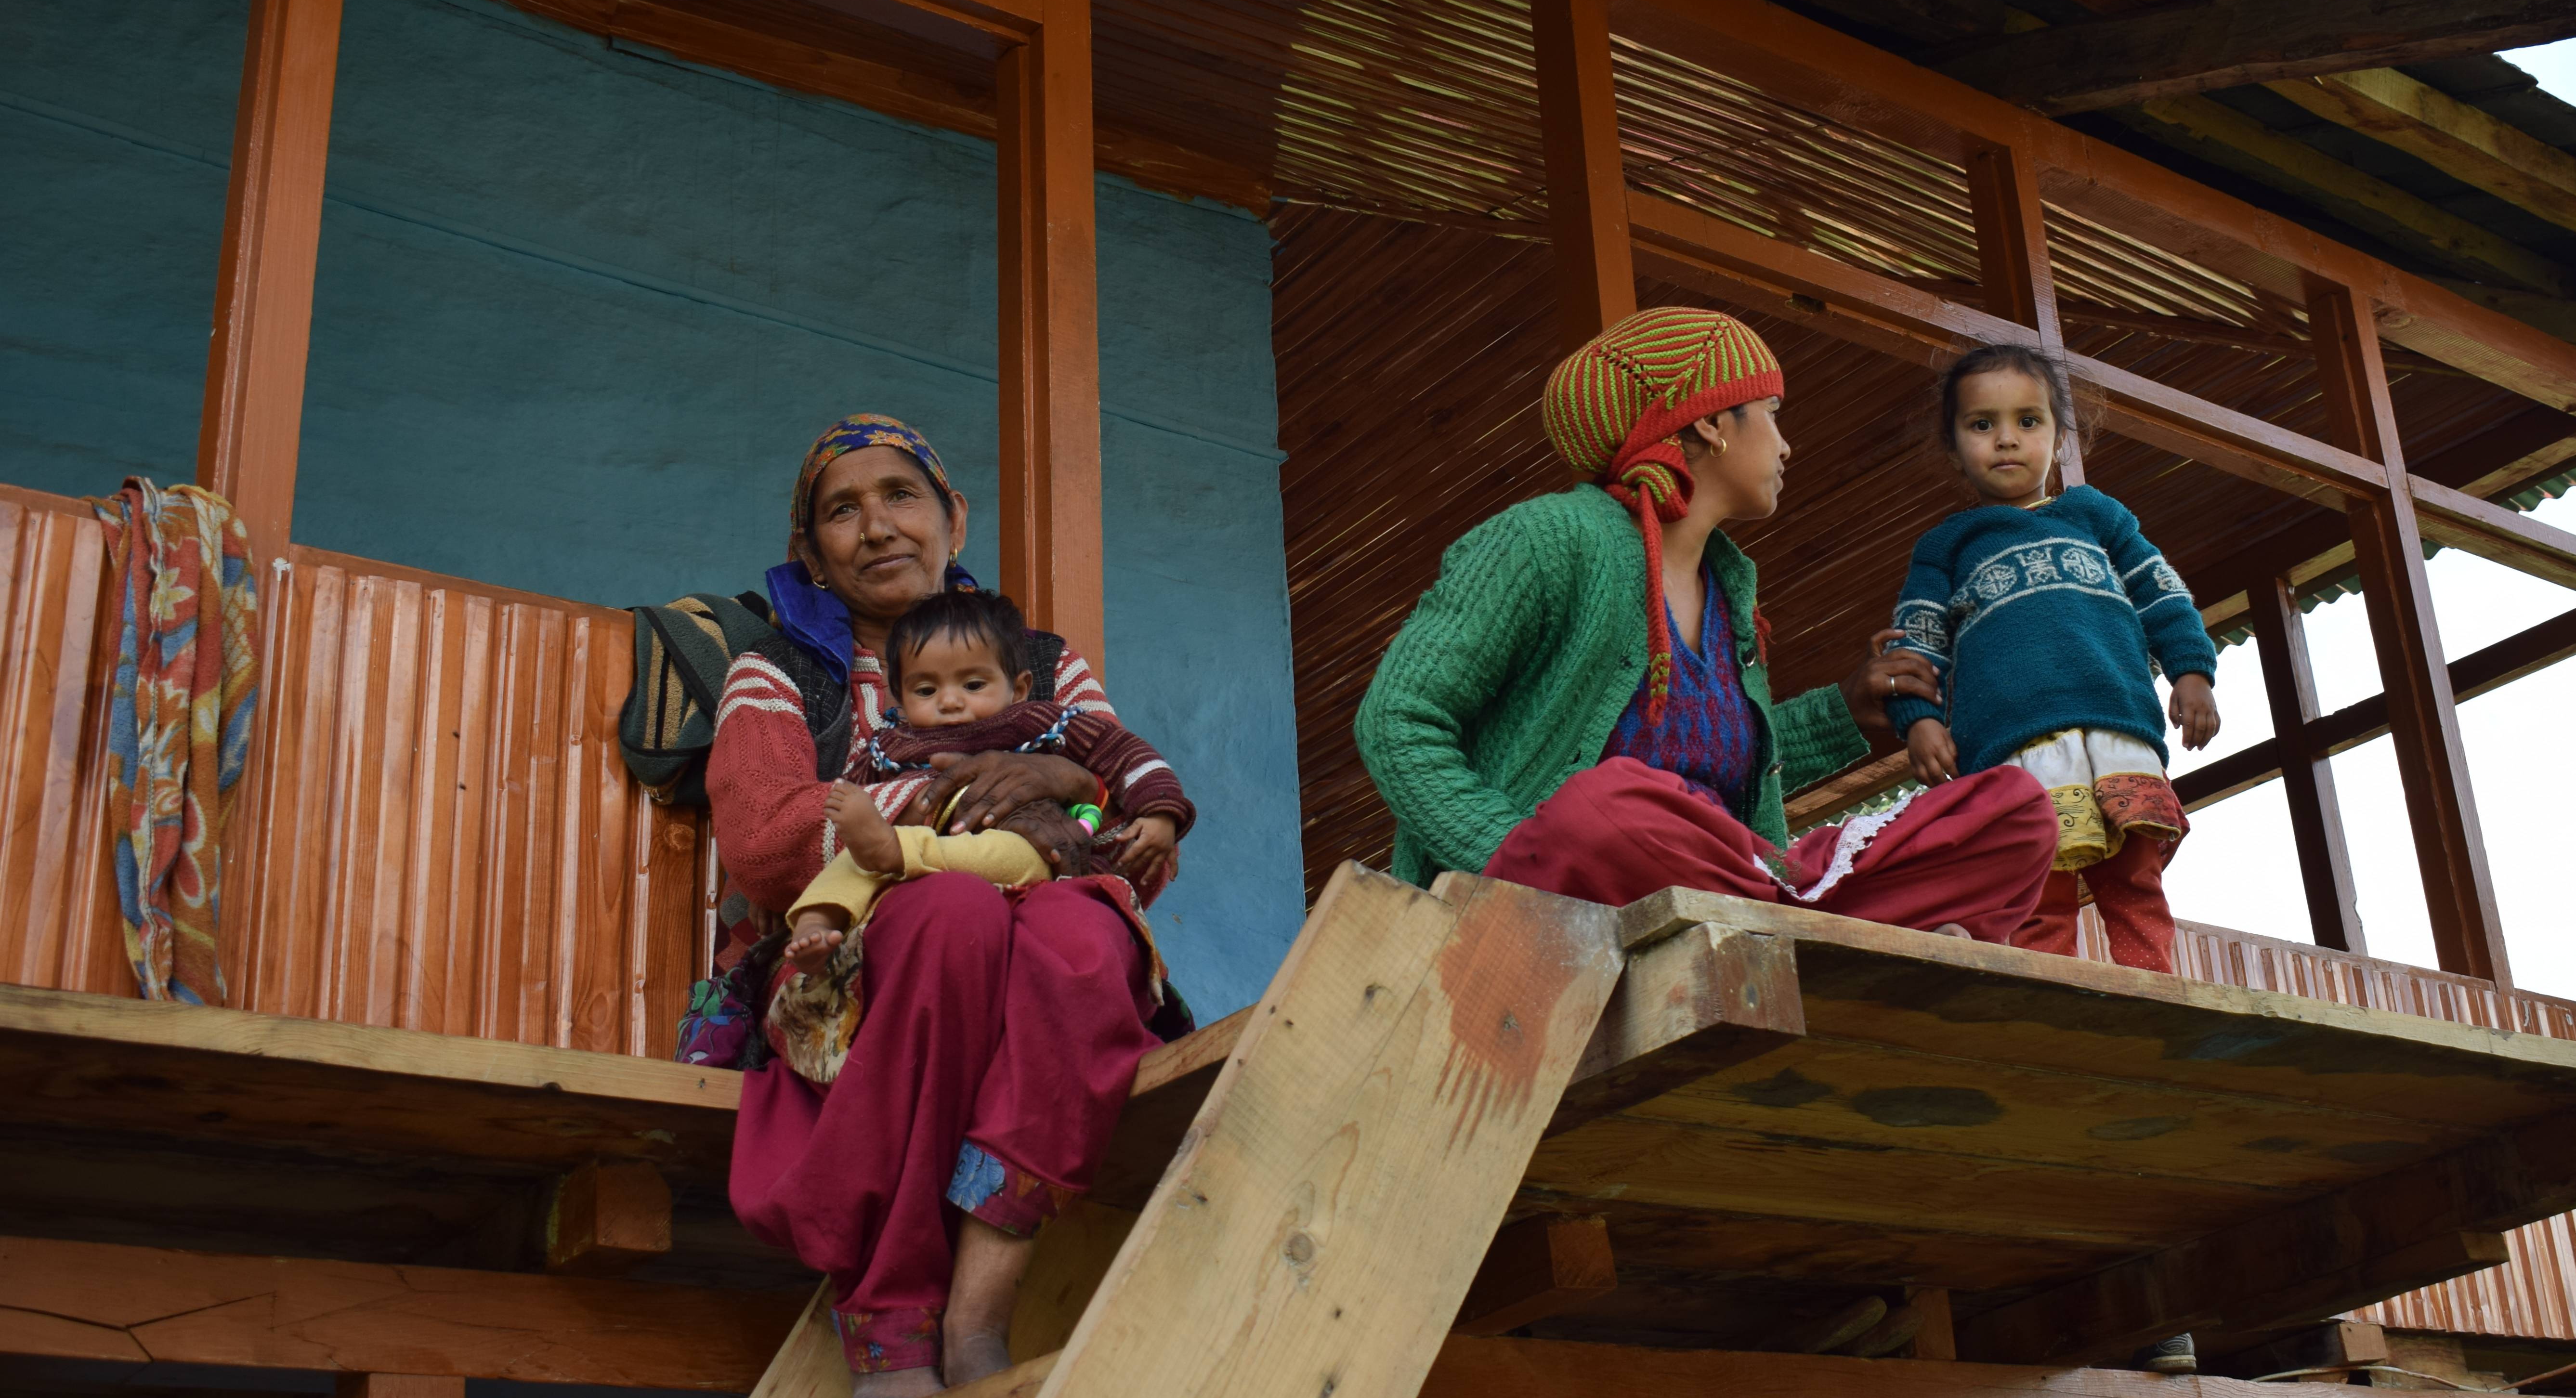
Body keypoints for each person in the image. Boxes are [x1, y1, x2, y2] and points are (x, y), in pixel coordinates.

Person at [704, 414, 1181, 1398]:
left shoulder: (1044, 664)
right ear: (812, 554)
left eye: (901, 496)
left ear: (954, 518)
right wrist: (957, 808)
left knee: (1089, 934)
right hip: (859, 951)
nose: (877, 526)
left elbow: (1128, 817)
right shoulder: (775, 669)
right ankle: (891, 1316)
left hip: (1035, 933)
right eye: (843, 509)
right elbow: (770, 838)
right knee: (953, 915)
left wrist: (1069, 783)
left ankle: (977, 1310)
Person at [1357, 307, 2056, 930]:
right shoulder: (1550, 539)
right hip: (1577, 881)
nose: (1786, 445)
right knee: (1609, 804)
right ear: (1711, 422)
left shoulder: (1730, 588)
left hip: (1731, 878)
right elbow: (1396, 719)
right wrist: (1513, 856)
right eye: (1773, 412)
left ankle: (1798, 918)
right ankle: (1837, 924)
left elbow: (1713, 765)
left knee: (2015, 811)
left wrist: (1845, 709)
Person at [1884, 344, 2221, 976]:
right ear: (1954, 447)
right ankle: (2052, 992)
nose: (2007, 440)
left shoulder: (2098, 517)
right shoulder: (1947, 547)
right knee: (2038, 889)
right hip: (2013, 747)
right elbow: (1917, 641)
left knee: (2135, 878)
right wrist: (1919, 719)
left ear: (2061, 438)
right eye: (1983, 425)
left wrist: (2192, 673)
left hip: (2116, 726)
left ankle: (2155, 989)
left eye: (2028, 422)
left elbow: (2161, 593)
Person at [787, 587, 1194, 976]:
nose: (950, 701)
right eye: (926, 689)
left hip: (1018, 863)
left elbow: (1123, 753)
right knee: (853, 857)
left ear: (1019, 689)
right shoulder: (892, 745)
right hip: (918, 888)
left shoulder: (1039, 721)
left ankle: (896, 851)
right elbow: (846, 805)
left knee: (1022, 848)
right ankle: (814, 924)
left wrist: (1160, 811)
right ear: (901, 699)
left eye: (974, 685)